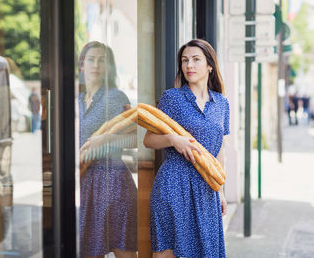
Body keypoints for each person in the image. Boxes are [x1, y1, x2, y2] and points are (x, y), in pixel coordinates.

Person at [143, 39, 230, 258]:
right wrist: (173, 140)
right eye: (184, 60)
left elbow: (219, 150)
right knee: (167, 251)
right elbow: (149, 140)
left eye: (195, 59)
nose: (189, 65)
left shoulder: (222, 103)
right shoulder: (171, 98)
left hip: (206, 187)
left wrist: (220, 190)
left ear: (210, 66)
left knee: (205, 251)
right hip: (174, 183)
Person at [78, 41, 137, 258]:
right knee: (89, 252)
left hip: (114, 183)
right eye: (91, 59)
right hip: (85, 186)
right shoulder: (76, 101)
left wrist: (105, 139)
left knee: (125, 252)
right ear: (81, 65)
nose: (96, 65)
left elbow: (136, 138)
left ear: (109, 66)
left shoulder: (116, 98)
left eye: (102, 60)